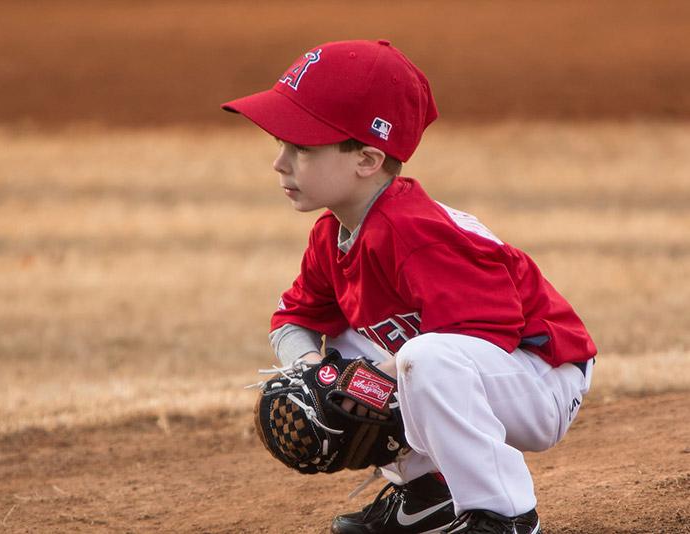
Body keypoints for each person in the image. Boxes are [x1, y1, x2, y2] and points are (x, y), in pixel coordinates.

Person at [221, 40, 596, 534]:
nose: (281, 162)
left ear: (367, 159)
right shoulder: (332, 235)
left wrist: (372, 379)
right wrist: (317, 373)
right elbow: (293, 319)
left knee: (422, 360)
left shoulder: (414, 232)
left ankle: (504, 516)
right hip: (474, 365)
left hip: (540, 374)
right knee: (357, 351)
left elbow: (487, 331)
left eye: (303, 147)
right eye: (281, 145)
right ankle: (430, 495)